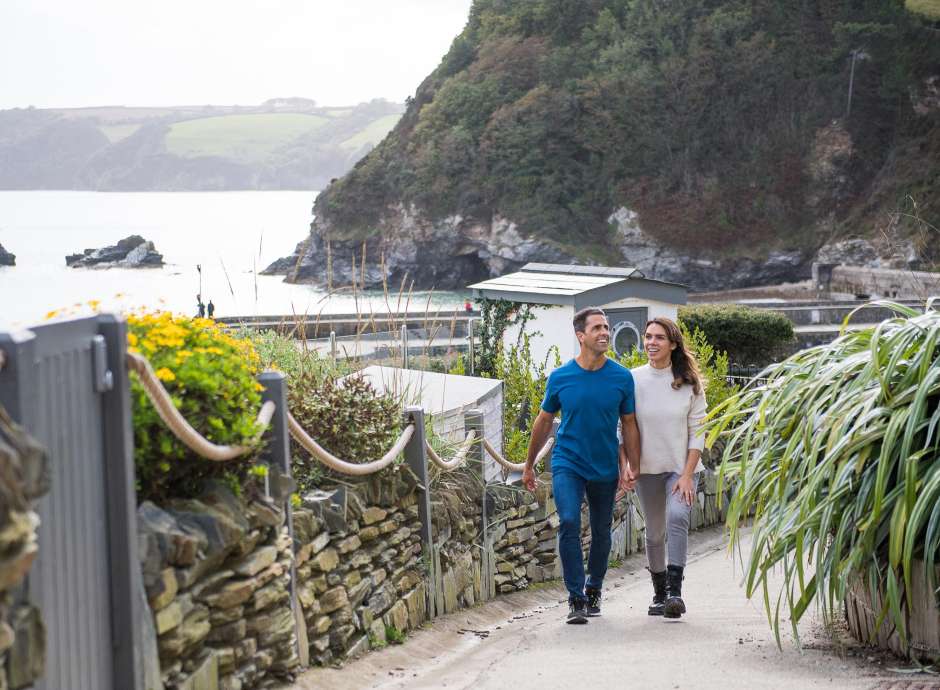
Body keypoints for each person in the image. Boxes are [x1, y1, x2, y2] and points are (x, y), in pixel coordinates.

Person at [523, 307, 641, 624]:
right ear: (581, 336)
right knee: (571, 522)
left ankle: (594, 588)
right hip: (568, 462)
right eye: (598, 328)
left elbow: (629, 424)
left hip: (604, 466)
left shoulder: (621, 377)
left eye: (606, 327)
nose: (605, 333)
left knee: (602, 532)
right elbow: (544, 420)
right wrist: (529, 463)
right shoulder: (561, 378)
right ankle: (575, 598)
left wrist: (633, 466)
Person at [627, 317, 707, 620]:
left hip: (681, 468)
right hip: (647, 468)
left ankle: (675, 593)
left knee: (677, 517)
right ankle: (659, 593)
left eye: (659, 337)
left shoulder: (690, 384)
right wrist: (627, 464)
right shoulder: (633, 379)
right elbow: (625, 425)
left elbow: (699, 431)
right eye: (648, 337)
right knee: (654, 533)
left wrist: (687, 474)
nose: (651, 343)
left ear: (673, 344)